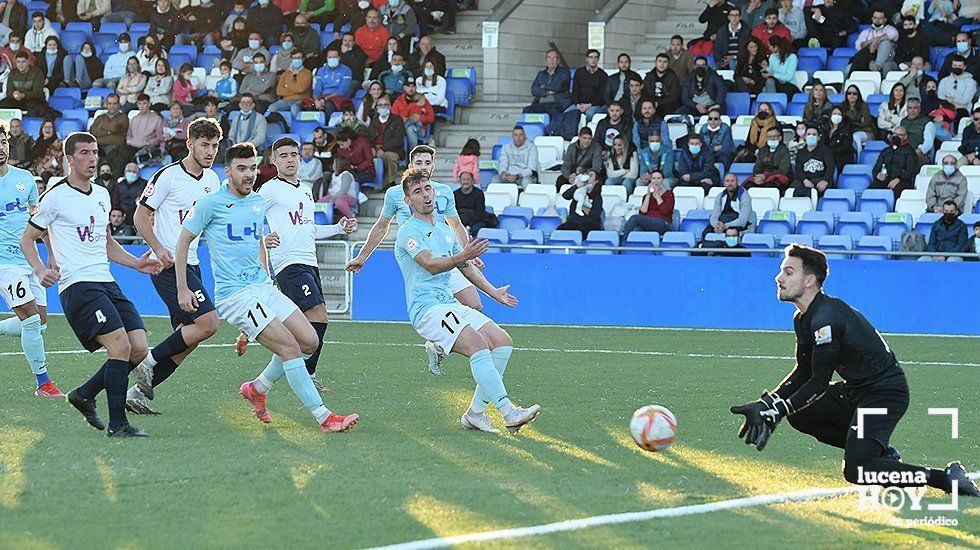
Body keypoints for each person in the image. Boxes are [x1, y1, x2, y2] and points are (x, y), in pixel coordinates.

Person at [729, 244, 979, 500]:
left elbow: (818, 381)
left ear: (810, 280)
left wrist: (779, 410)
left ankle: (946, 478)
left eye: (789, 272)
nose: (779, 278)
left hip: (885, 394)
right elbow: (803, 370)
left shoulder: (826, 316)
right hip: (856, 390)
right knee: (801, 415)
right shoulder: (802, 317)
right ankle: (880, 455)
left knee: (858, 470)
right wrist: (768, 403)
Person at [177, 142, 359, 433]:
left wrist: (267, 271)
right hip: (235, 294)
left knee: (309, 341)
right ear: (228, 171)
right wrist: (182, 288)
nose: (248, 174)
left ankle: (257, 388)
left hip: (263, 286)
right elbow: (183, 240)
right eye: (241, 168)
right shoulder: (210, 203)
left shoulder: (257, 203)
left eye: (251, 168)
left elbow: (261, 241)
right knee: (289, 347)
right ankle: (325, 418)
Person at [22, 132, 165, 437]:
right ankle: (118, 425)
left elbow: (106, 242)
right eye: (84, 153)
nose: (92, 158)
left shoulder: (101, 194)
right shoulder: (55, 196)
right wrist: (40, 268)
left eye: (95, 152)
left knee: (138, 348)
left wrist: (136, 262)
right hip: (77, 285)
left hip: (106, 281)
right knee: (120, 346)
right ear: (69, 159)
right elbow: (28, 238)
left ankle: (84, 394)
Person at [394, 168, 539, 432]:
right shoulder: (408, 232)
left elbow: (465, 267)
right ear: (408, 201)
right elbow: (431, 265)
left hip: (448, 304)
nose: (425, 195)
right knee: (477, 345)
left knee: (503, 342)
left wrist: (493, 292)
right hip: (427, 310)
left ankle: (475, 413)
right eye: (417, 192)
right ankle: (509, 412)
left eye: (428, 189)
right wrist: (462, 256)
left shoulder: (443, 230)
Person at [346, 146, 486, 376]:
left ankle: (439, 345)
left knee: (475, 305)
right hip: (421, 259)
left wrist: (468, 252)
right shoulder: (395, 194)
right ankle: (455, 343)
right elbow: (382, 226)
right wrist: (362, 256)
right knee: (433, 305)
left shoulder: (443, 192)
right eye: (418, 162)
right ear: (411, 166)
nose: (423, 167)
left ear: (433, 166)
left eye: (427, 162)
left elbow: (456, 225)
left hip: (447, 256)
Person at [124, 119, 224, 413]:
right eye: (204, 145)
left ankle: (135, 394)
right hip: (167, 266)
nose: (209, 151)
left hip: (192, 263)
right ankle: (148, 361)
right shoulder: (167, 176)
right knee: (208, 324)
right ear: (189, 143)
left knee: (186, 339)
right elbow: (140, 217)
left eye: (215, 146)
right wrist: (158, 248)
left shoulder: (212, 181)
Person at [252, 137, 357, 392]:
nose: (290, 159)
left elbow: (308, 229)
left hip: (310, 261)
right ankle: (306, 375)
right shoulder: (268, 190)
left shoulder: (306, 190)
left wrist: (337, 227)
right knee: (318, 313)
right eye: (284, 155)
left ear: (300, 158)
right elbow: (247, 220)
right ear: (273, 160)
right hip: (288, 264)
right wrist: (263, 238)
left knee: (304, 326)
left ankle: (265, 382)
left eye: (293, 155)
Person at [0, 123, 64, 398]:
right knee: (29, 321)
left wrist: (51, 252)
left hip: (31, 261)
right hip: (4, 263)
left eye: (2, 142)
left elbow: (38, 220)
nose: (0, 148)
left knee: (41, 323)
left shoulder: (24, 178)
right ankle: (44, 384)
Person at [366, 95, 406, 189]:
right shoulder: (374, 120)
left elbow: (398, 139)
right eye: (380, 105)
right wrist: (371, 148)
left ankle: (391, 182)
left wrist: (383, 149)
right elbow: (368, 137)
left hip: (393, 150)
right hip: (376, 148)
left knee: (388, 156)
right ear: (377, 108)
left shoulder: (397, 120)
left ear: (390, 106)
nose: (383, 107)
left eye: (386, 104)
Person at [622, 170, 673, 239]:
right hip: (647, 223)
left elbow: (665, 211)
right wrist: (648, 195)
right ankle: (631, 247)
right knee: (635, 231)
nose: (656, 181)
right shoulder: (646, 196)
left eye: (658, 178)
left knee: (634, 218)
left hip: (662, 223)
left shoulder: (668, 194)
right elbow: (642, 212)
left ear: (662, 180)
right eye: (654, 178)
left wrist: (657, 195)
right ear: (651, 181)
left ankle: (622, 244)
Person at [870, 125, 917, 198]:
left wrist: (899, 179)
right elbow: (876, 168)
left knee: (895, 193)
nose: (896, 136)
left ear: (905, 137)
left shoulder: (910, 152)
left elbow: (911, 170)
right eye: (895, 134)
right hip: (884, 180)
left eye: (900, 135)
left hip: (901, 181)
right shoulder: (886, 151)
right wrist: (877, 175)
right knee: (871, 192)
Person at [90, 94, 129, 176]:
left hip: (115, 148)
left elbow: (116, 128)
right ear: (106, 104)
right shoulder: (100, 117)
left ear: (119, 104)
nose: (112, 106)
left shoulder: (123, 117)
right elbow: (93, 131)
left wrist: (102, 127)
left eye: (115, 104)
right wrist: (109, 132)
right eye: (110, 104)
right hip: (98, 147)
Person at [523, 49, 571, 116]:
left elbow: (559, 86)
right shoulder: (541, 74)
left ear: (558, 60)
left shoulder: (564, 72)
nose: (552, 60)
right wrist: (547, 92)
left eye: (554, 58)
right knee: (527, 110)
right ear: (546, 60)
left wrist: (545, 86)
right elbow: (534, 89)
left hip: (557, 103)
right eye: (549, 57)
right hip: (540, 104)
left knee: (555, 113)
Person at [850, 9, 899, 73]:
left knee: (885, 42)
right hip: (870, 57)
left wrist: (877, 40)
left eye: (880, 18)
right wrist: (871, 42)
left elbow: (894, 35)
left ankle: (878, 65)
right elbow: (859, 46)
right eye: (875, 18)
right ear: (872, 19)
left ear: (885, 19)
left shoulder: (890, 29)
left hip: (887, 57)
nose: (877, 20)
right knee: (849, 68)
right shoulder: (866, 32)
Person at [793, 125, 836, 198]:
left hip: (821, 179)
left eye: (814, 134)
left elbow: (830, 166)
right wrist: (805, 181)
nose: (811, 136)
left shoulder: (825, 150)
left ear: (818, 137)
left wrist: (825, 181)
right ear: (804, 137)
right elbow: (798, 170)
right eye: (808, 134)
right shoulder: (801, 153)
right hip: (805, 181)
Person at [707, 172, 753, 239]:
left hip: (737, 226)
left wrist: (725, 226)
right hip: (722, 225)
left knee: (731, 234)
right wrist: (717, 226)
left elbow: (742, 221)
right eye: (727, 181)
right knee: (706, 232)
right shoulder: (720, 196)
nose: (730, 183)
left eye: (732, 181)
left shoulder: (744, 196)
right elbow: (714, 216)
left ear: (737, 182)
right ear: (724, 183)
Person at [391, 79, 434, 150]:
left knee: (410, 128)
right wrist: (405, 118)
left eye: (413, 86)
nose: (411, 88)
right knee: (410, 129)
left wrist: (419, 118)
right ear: (404, 87)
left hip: (420, 129)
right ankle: (413, 153)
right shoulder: (398, 101)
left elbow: (431, 118)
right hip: (404, 127)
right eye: (408, 86)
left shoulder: (422, 101)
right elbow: (393, 118)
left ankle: (411, 152)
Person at [558, 173, 603, 238]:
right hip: (574, 222)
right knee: (561, 230)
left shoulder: (597, 197)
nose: (587, 177)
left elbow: (595, 215)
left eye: (590, 176)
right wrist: (576, 186)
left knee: (580, 229)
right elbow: (565, 196)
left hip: (590, 223)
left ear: (596, 181)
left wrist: (584, 206)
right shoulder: (578, 192)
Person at [269, 51, 313, 118]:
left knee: (294, 108)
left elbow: (301, 89)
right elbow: (279, 91)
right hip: (285, 101)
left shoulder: (307, 73)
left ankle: (295, 127)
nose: (296, 60)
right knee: (272, 107)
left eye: (299, 58)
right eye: (294, 58)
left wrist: (287, 86)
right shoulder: (285, 74)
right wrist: (296, 89)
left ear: (303, 59)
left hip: (301, 100)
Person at [746, 126, 792, 191]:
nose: (772, 138)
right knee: (749, 185)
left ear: (780, 138)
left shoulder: (784, 151)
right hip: (762, 177)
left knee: (769, 187)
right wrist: (759, 177)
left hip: (778, 177)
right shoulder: (762, 150)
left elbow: (783, 170)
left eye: (775, 136)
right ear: (766, 139)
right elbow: (757, 167)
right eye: (770, 137)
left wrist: (765, 176)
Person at [556, 127, 602, 191]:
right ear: (579, 137)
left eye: (589, 139)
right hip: (573, 174)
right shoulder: (571, 147)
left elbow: (596, 165)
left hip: (588, 174)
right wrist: (569, 176)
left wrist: (586, 171)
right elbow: (566, 165)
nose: (586, 141)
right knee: (560, 180)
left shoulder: (596, 147)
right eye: (584, 138)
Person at [568, 48, 608, 122]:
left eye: (595, 57)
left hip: (594, 105)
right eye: (591, 57)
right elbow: (575, 91)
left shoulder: (603, 75)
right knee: (566, 113)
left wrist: (589, 105)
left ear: (598, 59)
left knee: (589, 114)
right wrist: (577, 104)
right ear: (587, 59)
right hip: (579, 104)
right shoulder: (579, 72)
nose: (593, 60)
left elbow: (602, 96)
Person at [1, 52, 45, 116]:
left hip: (33, 99)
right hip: (17, 100)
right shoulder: (12, 73)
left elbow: (37, 92)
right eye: (18, 62)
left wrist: (23, 95)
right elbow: (9, 91)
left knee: (34, 104)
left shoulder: (37, 72)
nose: (20, 65)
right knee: (3, 103)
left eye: (23, 62)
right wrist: (14, 94)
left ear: (28, 62)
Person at [454, 171, 495, 237]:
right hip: (461, 220)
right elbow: (454, 211)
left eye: (468, 179)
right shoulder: (455, 194)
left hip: (475, 220)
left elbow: (480, 212)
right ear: (460, 181)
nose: (465, 182)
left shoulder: (478, 193)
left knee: (477, 228)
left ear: (473, 181)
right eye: (463, 179)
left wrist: (469, 225)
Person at [937, 55, 977, 120]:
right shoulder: (944, 80)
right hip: (945, 109)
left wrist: (949, 99)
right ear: (952, 66)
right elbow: (940, 96)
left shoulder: (971, 82)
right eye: (955, 65)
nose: (957, 67)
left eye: (960, 66)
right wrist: (958, 104)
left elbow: (966, 99)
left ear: (964, 67)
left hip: (963, 111)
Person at [898, 98, 934, 167]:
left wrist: (919, 150)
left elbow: (928, 143)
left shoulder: (927, 122)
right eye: (910, 108)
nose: (912, 111)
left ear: (919, 109)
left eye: (915, 108)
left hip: (919, 153)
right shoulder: (903, 121)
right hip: (903, 151)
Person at [714, 6, 749, 70]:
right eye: (732, 15)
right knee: (712, 67)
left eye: (736, 15)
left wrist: (734, 57)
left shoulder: (747, 31)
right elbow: (717, 50)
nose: (734, 18)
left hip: (740, 61)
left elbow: (747, 50)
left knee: (732, 63)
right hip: (724, 61)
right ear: (728, 17)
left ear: (740, 17)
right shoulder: (722, 31)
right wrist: (724, 60)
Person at [823, 105, 855, 173]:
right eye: (834, 114)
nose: (836, 116)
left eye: (839, 114)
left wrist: (829, 152)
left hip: (841, 158)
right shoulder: (824, 127)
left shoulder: (847, 129)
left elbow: (845, 146)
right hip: (826, 157)